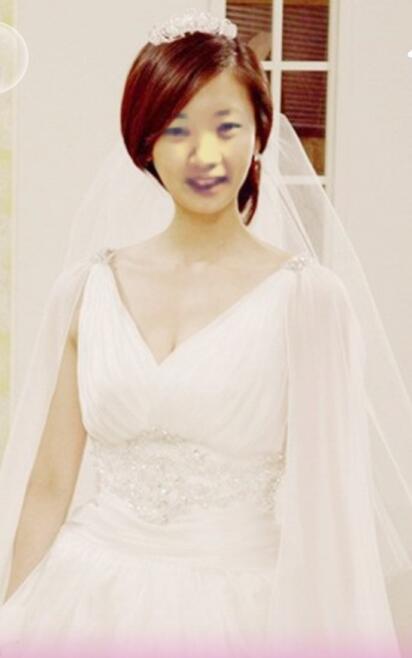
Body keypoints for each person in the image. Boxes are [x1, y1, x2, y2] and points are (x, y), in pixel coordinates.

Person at [0, 8, 411, 658]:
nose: (206, 155)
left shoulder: (307, 300)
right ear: (144, 142)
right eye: (177, 129)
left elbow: (329, 509)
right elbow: (50, 483)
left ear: (259, 133)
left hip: (239, 613)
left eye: (227, 126)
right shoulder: (87, 290)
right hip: (84, 603)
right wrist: (14, 616)